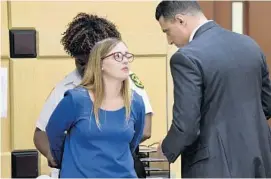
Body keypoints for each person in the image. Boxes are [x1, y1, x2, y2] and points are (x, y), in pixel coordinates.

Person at [155, 0, 271, 178]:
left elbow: (186, 126)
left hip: (213, 168)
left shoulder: (186, 58)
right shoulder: (250, 45)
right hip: (260, 161)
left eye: (167, 31)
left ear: (180, 20)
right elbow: (267, 104)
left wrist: (166, 151)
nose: (169, 40)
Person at [33, 13, 152, 178]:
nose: (87, 69)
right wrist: (62, 156)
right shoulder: (68, 90)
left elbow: (144, 130)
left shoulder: (127, 82)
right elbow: (42, 133)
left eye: (92, 61)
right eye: (81, 62)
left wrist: (107, 148)